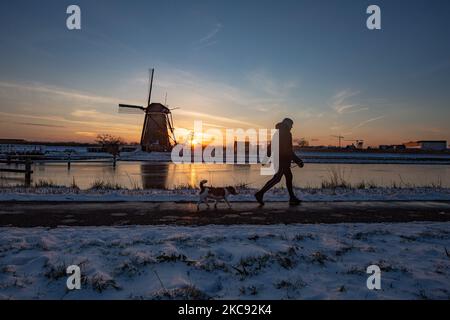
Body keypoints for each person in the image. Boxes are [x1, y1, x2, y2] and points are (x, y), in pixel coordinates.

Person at [255, 118, 304, 206]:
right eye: (291, 125)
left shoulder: (277, 133)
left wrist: (266, 158)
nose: (292, 127)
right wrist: (298, 161)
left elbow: (271, 146)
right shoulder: (286, 134)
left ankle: (292, 197)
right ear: (288, 124)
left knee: (288, 177)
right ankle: (260, 194)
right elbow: (288, 150)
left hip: (279, 160)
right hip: (282, 160)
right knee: (277, 178)